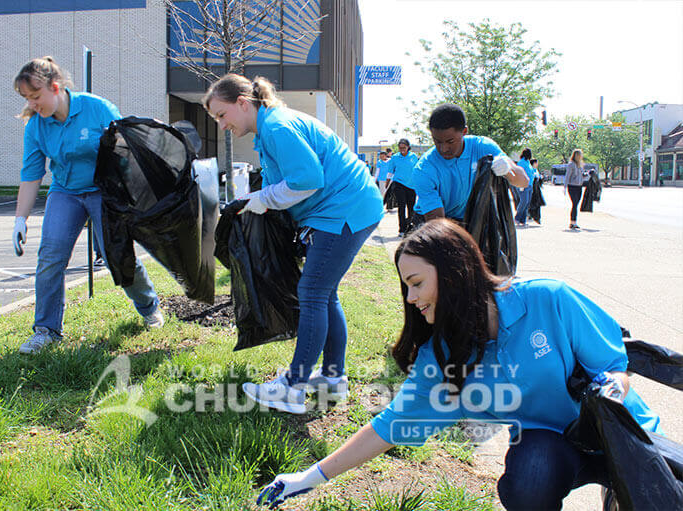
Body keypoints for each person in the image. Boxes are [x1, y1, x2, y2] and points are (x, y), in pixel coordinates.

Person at [256, 219, 660, 510]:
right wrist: (308, 477)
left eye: (416, 283)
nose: (411, 298)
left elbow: (611, 364)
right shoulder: (443, 356)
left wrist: (612, 389)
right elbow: (389, 426)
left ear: (452, 272)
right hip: (551, 440)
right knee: (529, 481)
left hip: (623, 431)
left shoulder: (547, 298)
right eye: (406, 288)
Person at [203, 74, 384, 414]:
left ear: (243, 103)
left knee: (313, 293)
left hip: (342, 212)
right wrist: (260, 199)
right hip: (349, 208)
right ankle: (332, 378)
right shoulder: (269, 128)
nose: (221, 125)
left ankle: (293, 387)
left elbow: (308, 179)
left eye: (221, 115)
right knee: (324, 294)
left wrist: (265, 197)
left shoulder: (277, 128)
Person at [12, 57, 164, 355]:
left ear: (55, 87)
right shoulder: (36, 127)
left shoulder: (97, 109)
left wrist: (133, 199)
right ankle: (46, 330)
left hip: (104, 191)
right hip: (66, 192)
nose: (33, 104)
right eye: (27, 98)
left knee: (116, 257)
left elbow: (126, 153)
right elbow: (31, 175)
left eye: (36, 96)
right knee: (50, 256)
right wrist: (20, 219)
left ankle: (148, 307)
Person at [410, 104, 529, 223]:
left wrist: (507, 171)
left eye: (450, 141)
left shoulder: (482, 147)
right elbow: (437, 223)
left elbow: (523, 181)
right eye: (437, 141)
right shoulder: (424, 169)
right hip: (431, 221)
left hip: (468, 218)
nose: (443, 149)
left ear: (464, 131)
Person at [389, 138, 420, 236]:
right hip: (399, 184)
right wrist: (387, 183)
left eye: (404, 147)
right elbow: (390, 172)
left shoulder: (413, 156)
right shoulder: (395, 157)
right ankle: (402, 229)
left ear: (408, 147)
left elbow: (417, 170)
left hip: (412, 185)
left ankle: (409, 226)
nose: (402, 149)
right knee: (401, 207)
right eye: (400, 147)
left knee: (411, 208)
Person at [514, 148, 536, 226]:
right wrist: (520, 184)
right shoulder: (521, 162)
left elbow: (531, 172)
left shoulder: (528, 163)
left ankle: (523, 220)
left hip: (530, 184)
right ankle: (517, 218)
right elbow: (519, 173)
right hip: (523, 184)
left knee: (527, 203)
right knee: (524, 201)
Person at [564, 149, 586, 230]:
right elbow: (567, 175)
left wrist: (586, 174)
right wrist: (565, 186)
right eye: (580, 155)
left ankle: (574, 222)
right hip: (572, 186)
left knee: (576, 204)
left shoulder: (580, 165)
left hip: (579, 186)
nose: (581, 156)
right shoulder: (571, 164)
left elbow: (581, 175)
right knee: (574, 203)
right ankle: (572, 222)